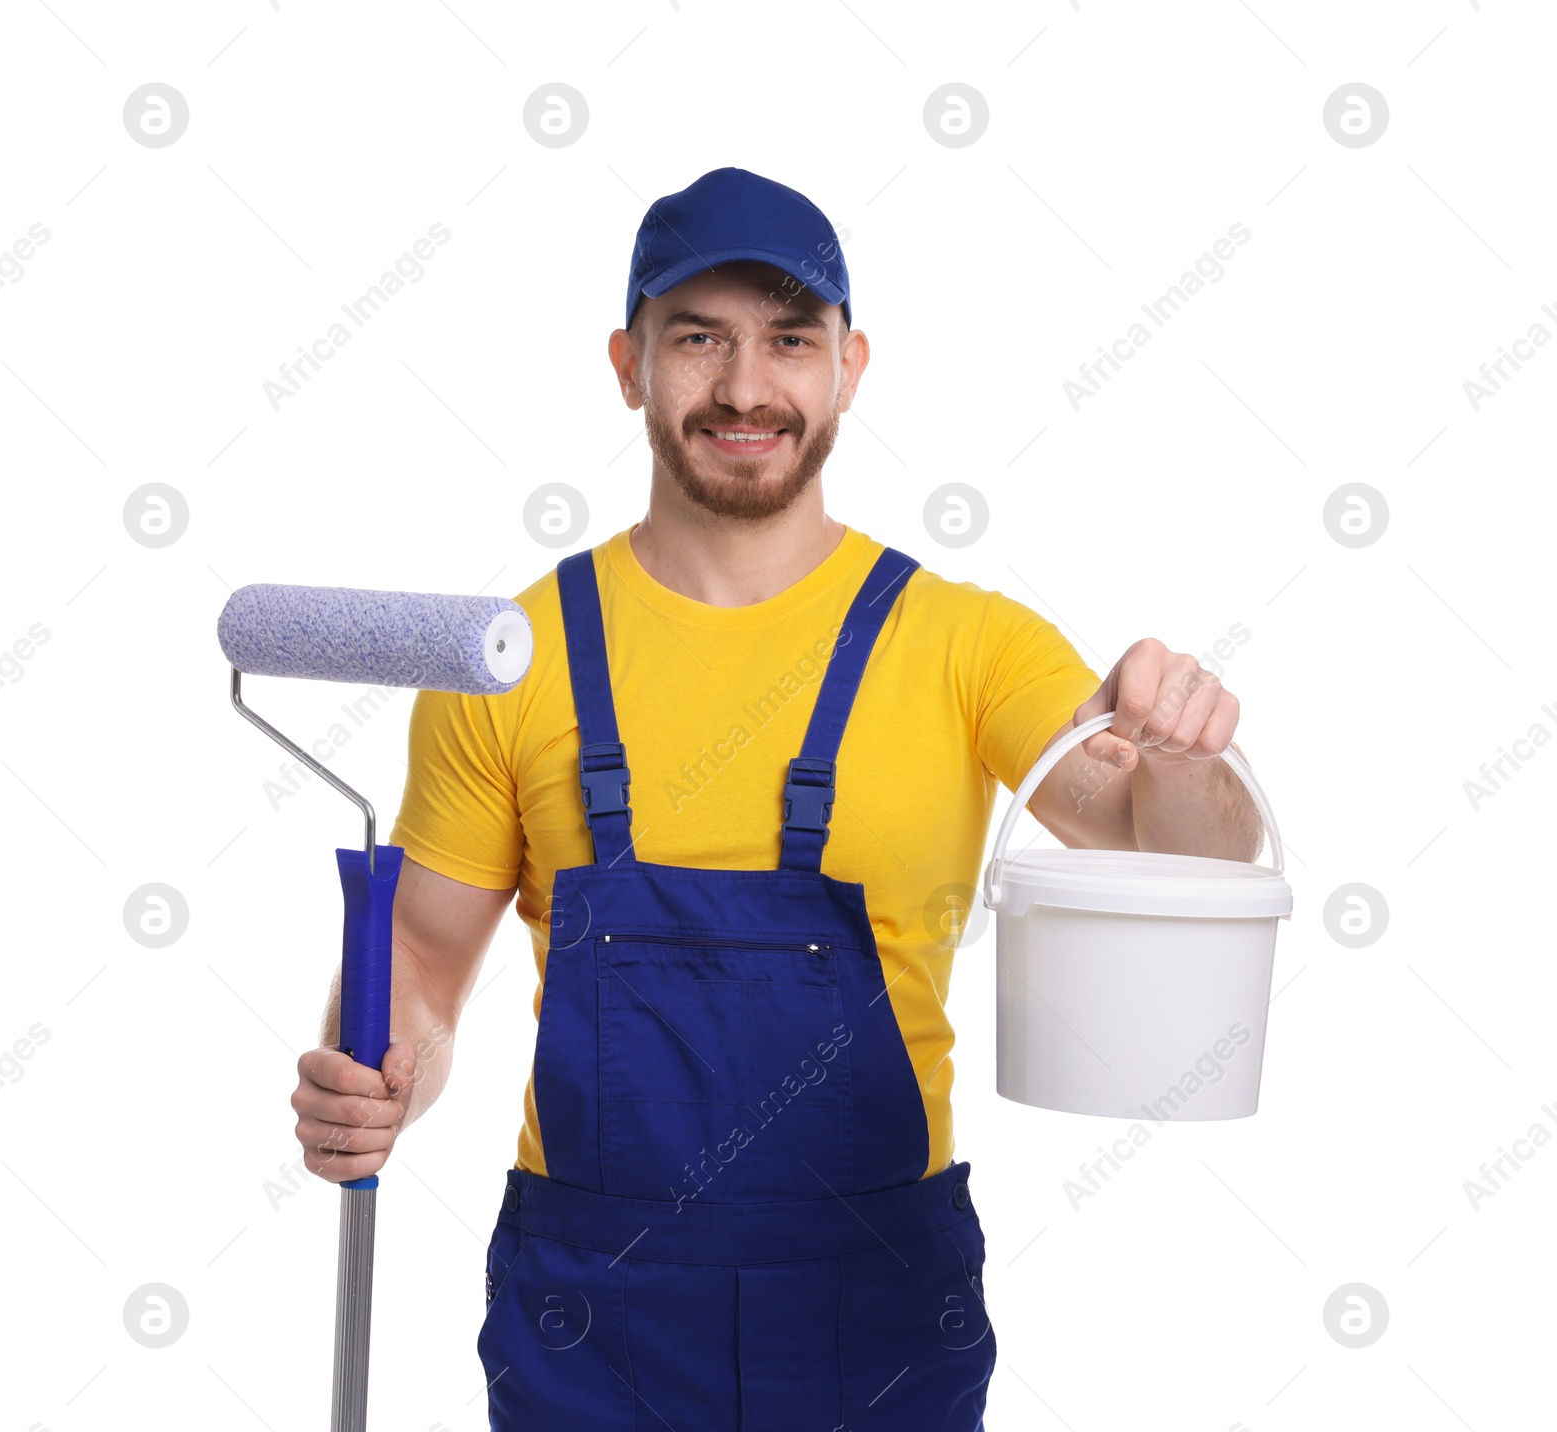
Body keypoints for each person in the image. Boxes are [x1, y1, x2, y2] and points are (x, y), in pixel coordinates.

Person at [290, 167, 1263, 1430]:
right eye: (697, 337)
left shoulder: (967, 646)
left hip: (879, 1325)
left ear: (849, 366)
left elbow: (1187, 862)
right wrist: (378, 1084)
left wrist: (1182, 752)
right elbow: (418, 964)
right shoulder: (511, 660)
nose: (745, 387)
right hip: (591, 1323)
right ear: (626, 363)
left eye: (788, 339)